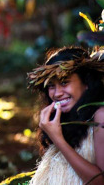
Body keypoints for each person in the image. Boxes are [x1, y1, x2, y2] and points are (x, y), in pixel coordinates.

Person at [27, 46, 104, 185]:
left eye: (64, 82)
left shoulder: (100, 116)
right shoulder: (63, 118)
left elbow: (100, 181)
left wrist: (58, 139)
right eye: (51, 86)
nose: (57, 93)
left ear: (86, 83)